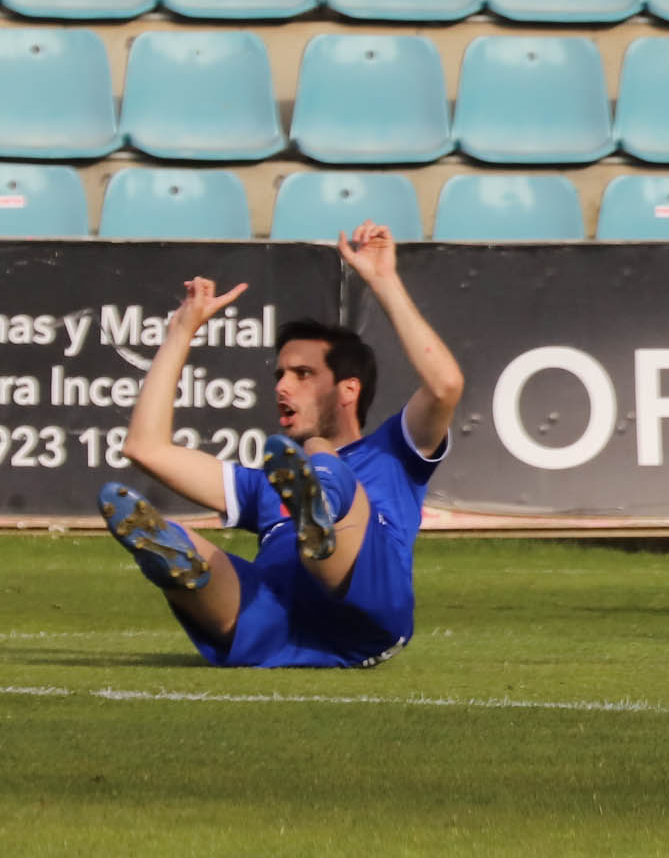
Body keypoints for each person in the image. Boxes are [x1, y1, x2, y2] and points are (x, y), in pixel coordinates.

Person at [95, 222, 464, 669]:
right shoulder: (266, 482)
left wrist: (383, 280)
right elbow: (145, 448)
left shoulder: (395, 452)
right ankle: (179, 564)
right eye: (280, 376)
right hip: (284, 624)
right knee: (197, 554)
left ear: (348, 390)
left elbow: (445, 385)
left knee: (322, 454)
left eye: (302, 375)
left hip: (370, 610)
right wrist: (181, 333)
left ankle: (324, 506)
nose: (282, 388)